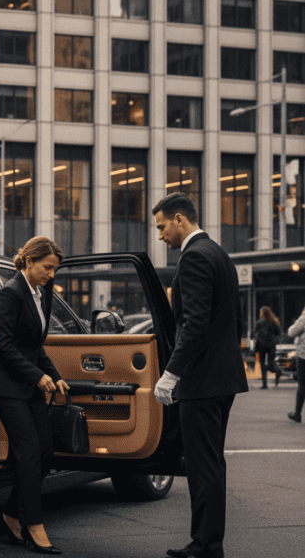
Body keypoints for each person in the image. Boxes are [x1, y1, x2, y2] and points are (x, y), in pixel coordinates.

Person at [152, 193, 249, 558]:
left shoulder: (193, 257)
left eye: (162, 226)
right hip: (224, 379)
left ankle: (206, 546)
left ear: (180, 219)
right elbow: (235, 321)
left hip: (201, 382)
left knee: (202, 467)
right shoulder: (219, 254)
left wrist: (171, 374)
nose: (160, 235)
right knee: (212, 464)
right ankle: (207, 543)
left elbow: (193, 323)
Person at [0, 236, 70, 555]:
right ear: (29, 261)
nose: (51, 274)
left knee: (44, 453)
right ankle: (34, 525)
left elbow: (34, 347)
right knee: (29, 453)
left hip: (28, 385)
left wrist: (54, 376)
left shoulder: (40, 293)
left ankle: (10, 516)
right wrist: (38, 376)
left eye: (54, 269)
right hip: (5, 386)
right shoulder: (11, 293)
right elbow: (2, 346)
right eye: (47, 267)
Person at [254, 306, 282, 389]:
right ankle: (266, 382)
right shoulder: (273, 322)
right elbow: (278, 333)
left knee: (266, 364)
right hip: (269, 345)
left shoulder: (262, 323)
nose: (260, 314)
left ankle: (276, 372)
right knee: (267, 364)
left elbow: (256, 333)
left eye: (261, 312)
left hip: (264, 345)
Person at [287, 308, 305, 423]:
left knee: (302, 384)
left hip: (303, 355)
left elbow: (291, 332)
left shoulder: (304, 318)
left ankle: (297, 413)